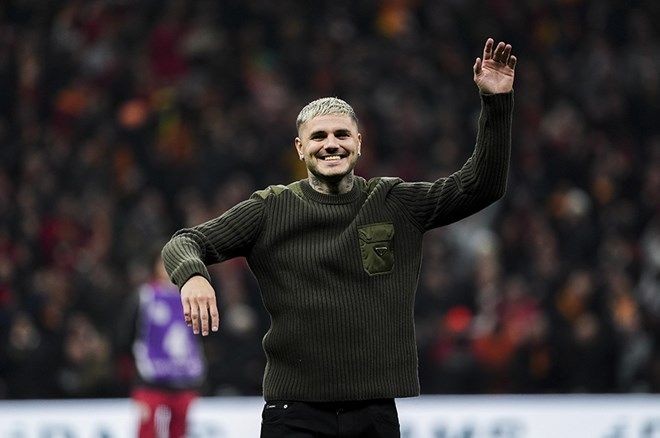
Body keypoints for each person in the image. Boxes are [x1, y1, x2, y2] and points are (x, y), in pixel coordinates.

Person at [162, 38, 516, 437]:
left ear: (359, 144)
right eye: (319, 137)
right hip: (293, 414)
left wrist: (496, 103)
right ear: (300, 149)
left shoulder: (393, 202)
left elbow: (481, 186)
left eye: (342, 135)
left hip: (373, 412)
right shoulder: (270, 208)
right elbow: (184, 242)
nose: (331, 144)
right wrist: (193, 275)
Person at [116, 253, 206, 438]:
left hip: (183, 379)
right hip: (149, 378)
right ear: (155, 266)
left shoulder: (193, 295)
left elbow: (202, 335)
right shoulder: (143, 297)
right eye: (165, 263)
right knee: (147, 430)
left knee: (180, 431)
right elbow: (125, 336)